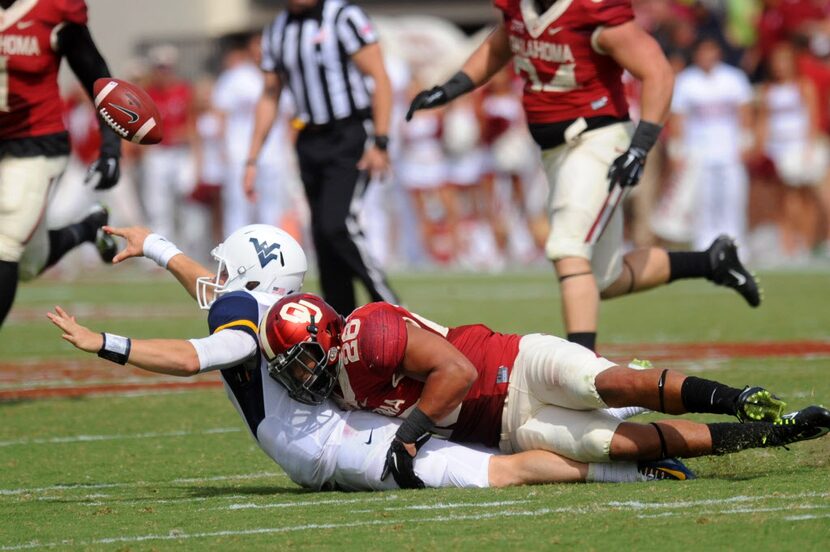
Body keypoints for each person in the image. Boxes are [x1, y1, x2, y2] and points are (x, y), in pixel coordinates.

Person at [48, 223, 690, 491]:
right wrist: (158, 247)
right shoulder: (262, 305)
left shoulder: (247, 325)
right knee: (486, 444)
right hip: (331, 422)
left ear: (250, 274)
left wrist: (106, 343)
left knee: (483, 472)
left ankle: (624, 469)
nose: (214, 276)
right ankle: (629, 417)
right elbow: (212, 292)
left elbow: (196, 356)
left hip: (322, 441)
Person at [405, 0, 760, 352]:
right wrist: (450, 89)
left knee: (568, 248)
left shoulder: (592, 10)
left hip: (597, 142)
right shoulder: (520, 9)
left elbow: (658, 72)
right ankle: (712, 261)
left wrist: (641, 146)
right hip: (556, 152)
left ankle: (582, 367)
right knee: (603, 278)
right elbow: (501, 45)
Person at [261, 293, 830, 487]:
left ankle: (737, 397)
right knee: (624, 447)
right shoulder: (333, 381)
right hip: (504, 427)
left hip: (514, 364)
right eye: (288, 367)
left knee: (605, 380)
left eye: (301, 359)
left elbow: (455, 374)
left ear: (327, 333)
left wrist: (408, 439)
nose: (298, 375)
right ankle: (771, 434)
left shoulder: (369, 333)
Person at [244, 0, 398, 316]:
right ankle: (342, 320)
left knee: (338, 225)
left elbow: (380, 77)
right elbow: (270, 94)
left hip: (350, 132)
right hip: (309, 139)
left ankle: (393, 308)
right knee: (322, 238)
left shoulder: (343, 17)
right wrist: (251, 159)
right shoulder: (276, 30)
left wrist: (380, 141)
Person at [0, 0, 121, 330]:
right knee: (27, 262)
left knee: (5, 241)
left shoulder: (54, 9)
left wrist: (110, 147)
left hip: (34, 144)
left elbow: (97, 76)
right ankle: (87, 228)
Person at [669, 37, 755, 251]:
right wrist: (677, 150)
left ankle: (735, 245)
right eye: (703, 51)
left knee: (733, 199)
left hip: (730, 150)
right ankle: (705, 246)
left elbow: (745, 112)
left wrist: (746, 143)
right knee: (703, 202)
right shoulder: (686, 81)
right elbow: (677, 118)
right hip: (698, 153)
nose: (707, 56)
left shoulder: (734, 78)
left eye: (711, 50)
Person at [212, 32, 292, 236]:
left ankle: (273, 258)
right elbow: (221, 113)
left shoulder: (281, 76)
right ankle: (234, 256)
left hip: (274, 152)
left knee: (272, 207)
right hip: (240, 151)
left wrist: (289, 149)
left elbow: (289, 117)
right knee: (238, 207)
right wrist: (223, 148)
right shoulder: (237, 77)